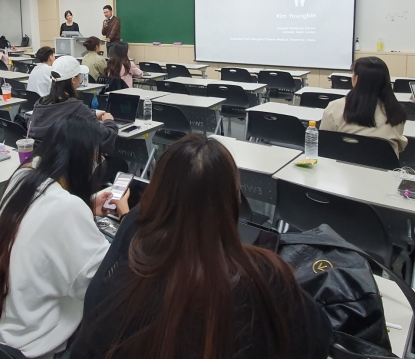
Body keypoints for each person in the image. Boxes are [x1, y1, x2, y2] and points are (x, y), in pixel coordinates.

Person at [71, 134, 332, 359]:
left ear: (157, 195)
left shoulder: (124, 281)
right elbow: (318, 338)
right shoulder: (266, 276)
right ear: (234, 201)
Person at [0, 116, 130, 358]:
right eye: (97, 158)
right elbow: (101, 283)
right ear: (82, 161)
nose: (97, 164)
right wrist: (126, 220)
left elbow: (41, 216)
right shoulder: (67, 208)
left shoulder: (22, 177)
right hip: (20, 346)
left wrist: (87, 206)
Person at [320, 56, 407, 156]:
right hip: (383, 169)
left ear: (356, 79)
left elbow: (324, 143)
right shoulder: (396, 112)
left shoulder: (335, 108)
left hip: (343, 168)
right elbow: (399, 145)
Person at [30, 55, 117, 154]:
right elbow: (104, 139)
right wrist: (109, 122)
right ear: (73, 80)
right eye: (79, 75)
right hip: (70, 166)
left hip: (43, 162)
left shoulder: (40, 104)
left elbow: (60, 115)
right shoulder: (77, 108)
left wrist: (90, 115)